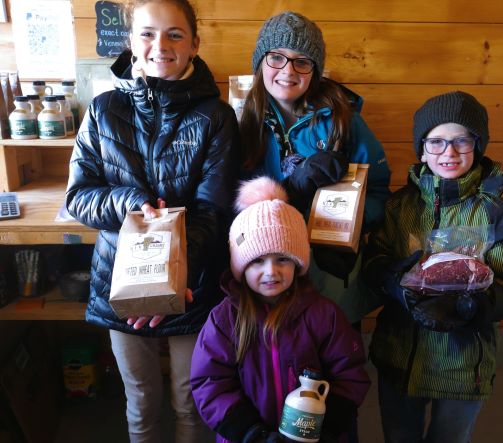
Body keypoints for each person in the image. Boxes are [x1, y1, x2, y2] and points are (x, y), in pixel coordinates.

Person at [65, 1, 239, 441]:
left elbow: (212, 210)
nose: (160, 45)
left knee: (190, 400)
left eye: (175, 34)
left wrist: (170, 280)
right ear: (130, 40)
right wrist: (128, 201)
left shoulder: (217, 117)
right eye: (147, 33)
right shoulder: (102, 110)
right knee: (140, 402)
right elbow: (78, 198)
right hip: (117, 283)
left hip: (191, 285)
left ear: (194, 43)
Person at [363, 91, 503, 443]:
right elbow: (374, 259)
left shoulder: (493, 214)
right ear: (422, 149)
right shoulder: (400, 208)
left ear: (478, 145)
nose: (449, 152)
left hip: (462, 363)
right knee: (399, 435)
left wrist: (470, 307)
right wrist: (395, 283)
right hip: (400, 354)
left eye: (461, 141)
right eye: (437, 142)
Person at [190, 177, 371, 443]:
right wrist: (250, 432)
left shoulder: (324, 314)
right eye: (257, 261)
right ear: (240, 267)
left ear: (298, 264)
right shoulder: (224, 319)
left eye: (282, 259)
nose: (270, 271)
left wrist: (327, 426)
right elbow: (210, 382)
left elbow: (350, 373)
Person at [239, 11, 392, 325]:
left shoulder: (343, 121)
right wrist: (292, 188)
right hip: (269, 267)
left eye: (302, 61)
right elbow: (230, 200)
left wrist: (348, 225)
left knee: (334, 353)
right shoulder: (243, 124)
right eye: (276, 57)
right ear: (260, 63)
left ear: (315, 70)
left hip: (330, 271)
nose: (288, 70)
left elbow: (378, 191)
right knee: (278, 354)